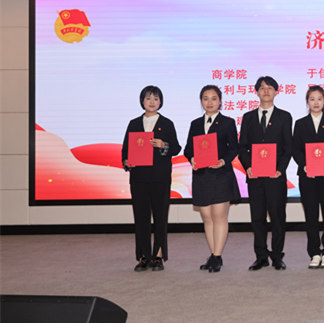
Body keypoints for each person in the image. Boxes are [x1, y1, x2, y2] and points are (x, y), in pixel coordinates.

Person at [121, 85, 182, 272]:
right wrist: (126, 161)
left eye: (156, 98)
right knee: (141, 217)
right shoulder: (133, 123)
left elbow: (176, 148)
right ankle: (143, 257)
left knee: (160, 217)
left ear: (160, 102)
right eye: (148, 98)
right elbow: (125, 149)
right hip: (139, 177)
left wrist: (164, 145)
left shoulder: (167, 123)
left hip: (159, 177)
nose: (152, 102)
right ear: (142, 101)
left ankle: (158, 256)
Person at [238, 76, 292, 271]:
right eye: (262, 88)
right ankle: (261, 256)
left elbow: (288, 147)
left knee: (277, 217)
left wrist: (280, 169)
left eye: (270, 87)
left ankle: (277, 256)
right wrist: (248, 166)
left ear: (276, 91)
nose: (266, 91)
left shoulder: (284, 117)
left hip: (275, 177)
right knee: (257, 217)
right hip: (255, 177)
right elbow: (242, 147)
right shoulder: (248, 117)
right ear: (256, 92)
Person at [184, 85, 240, 273]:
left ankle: (217, 255)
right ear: (201, 101)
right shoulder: (195, 124)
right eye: (205, 98)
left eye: (214, 98)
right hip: (201, 176)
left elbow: (234, 148)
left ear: (220, 101)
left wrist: (223, 161)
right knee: (207, 217)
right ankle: (213, 254)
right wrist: (191, 158)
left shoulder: (228, 122)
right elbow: (188, 149)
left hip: (221, 174)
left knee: (219, 215)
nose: (209, 102)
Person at [292, 86, 324, 269]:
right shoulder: (300, 124)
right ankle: (314, 252)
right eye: (312, 99)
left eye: (319, 99)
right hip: (307, 175)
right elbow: (295, 148)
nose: (316, 102)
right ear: (307, 102)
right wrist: (304, 165)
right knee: (311, 215)